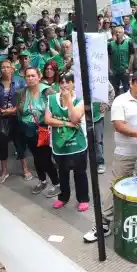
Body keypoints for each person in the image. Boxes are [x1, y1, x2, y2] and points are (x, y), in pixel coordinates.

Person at [85, 71, 137, 243]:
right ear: (131, 83)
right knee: (117, 185)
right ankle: (104, 223)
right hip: (125, 152)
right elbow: (119, 126)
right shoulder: (121, 101)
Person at [46, 73, 89, 211]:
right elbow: (48, 120)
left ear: (73, 84)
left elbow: (75, 118)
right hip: (59, 144)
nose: (64, 85)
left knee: (80, 172)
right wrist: (67, 124)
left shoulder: (81, 99)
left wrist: (68, 100)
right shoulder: (51, 99)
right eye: (61, 82)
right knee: (63, 173)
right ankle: (63, 197)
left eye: (67, 82)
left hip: (78, 144)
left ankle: (83, 198)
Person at [18, 67, 60, 197]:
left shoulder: (48, 91)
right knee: (36, 158)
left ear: (39, 76)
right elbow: (20, 110)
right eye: (28, 76)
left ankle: (57, 184)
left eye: (33, 75)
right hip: (28, 130)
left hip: (43, 129)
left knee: (45, 159)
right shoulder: (22, 92)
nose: (30, 78)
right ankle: (42, 180)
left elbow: (56, 110)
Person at [0, 59, 26, 183]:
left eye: (7, 67)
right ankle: (4, 171)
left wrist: (14, 110)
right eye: (3, 67)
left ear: (12, 68)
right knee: (3, 144)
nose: (5, 69)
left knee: (19, 143)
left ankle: (25, 169)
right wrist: (0, 109)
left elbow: (23, 100)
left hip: (16, 116)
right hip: (2, 117)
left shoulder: (20, 82)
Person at [108, 25, 134, 95]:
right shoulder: (110, 44)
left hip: (124, 70)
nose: (117, 34)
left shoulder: (128, 43)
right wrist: (109, 69)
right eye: (116, 32)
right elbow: (109, 57)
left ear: (123, 33)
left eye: (119, 32)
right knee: (115, 88)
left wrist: (129, 68)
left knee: (126, 88)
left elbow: (132, 55)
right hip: (114, 71)